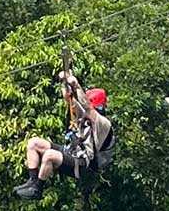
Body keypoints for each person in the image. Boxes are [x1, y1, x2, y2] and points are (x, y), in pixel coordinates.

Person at [15, 70, 114, 200]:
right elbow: (69, 99)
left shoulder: (103, 124)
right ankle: (32, 181)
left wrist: (77, 86)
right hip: (72, 152)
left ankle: (37, 189)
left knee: (49, 155)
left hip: (84, 163)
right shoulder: (84, 115)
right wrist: (65, 81)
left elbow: (88, 108)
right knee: (33, 143)